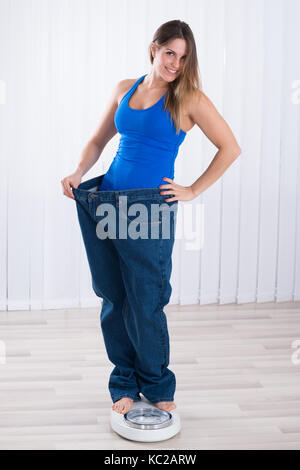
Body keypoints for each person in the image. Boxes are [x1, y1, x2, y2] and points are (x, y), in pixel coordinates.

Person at [61, 20, 241, 416]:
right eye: (170, 53)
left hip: (149, 208)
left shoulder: (189, 98)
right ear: (154, 49)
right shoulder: (125, 88)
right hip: (105, 199)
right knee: (113, 296)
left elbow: (230, 147)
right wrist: (78, 171)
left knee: (146, 300)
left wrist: (192, 189)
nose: (175, 63)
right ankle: (123, 380)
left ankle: (157, 384)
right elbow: (97, 140)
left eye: (183, 56)